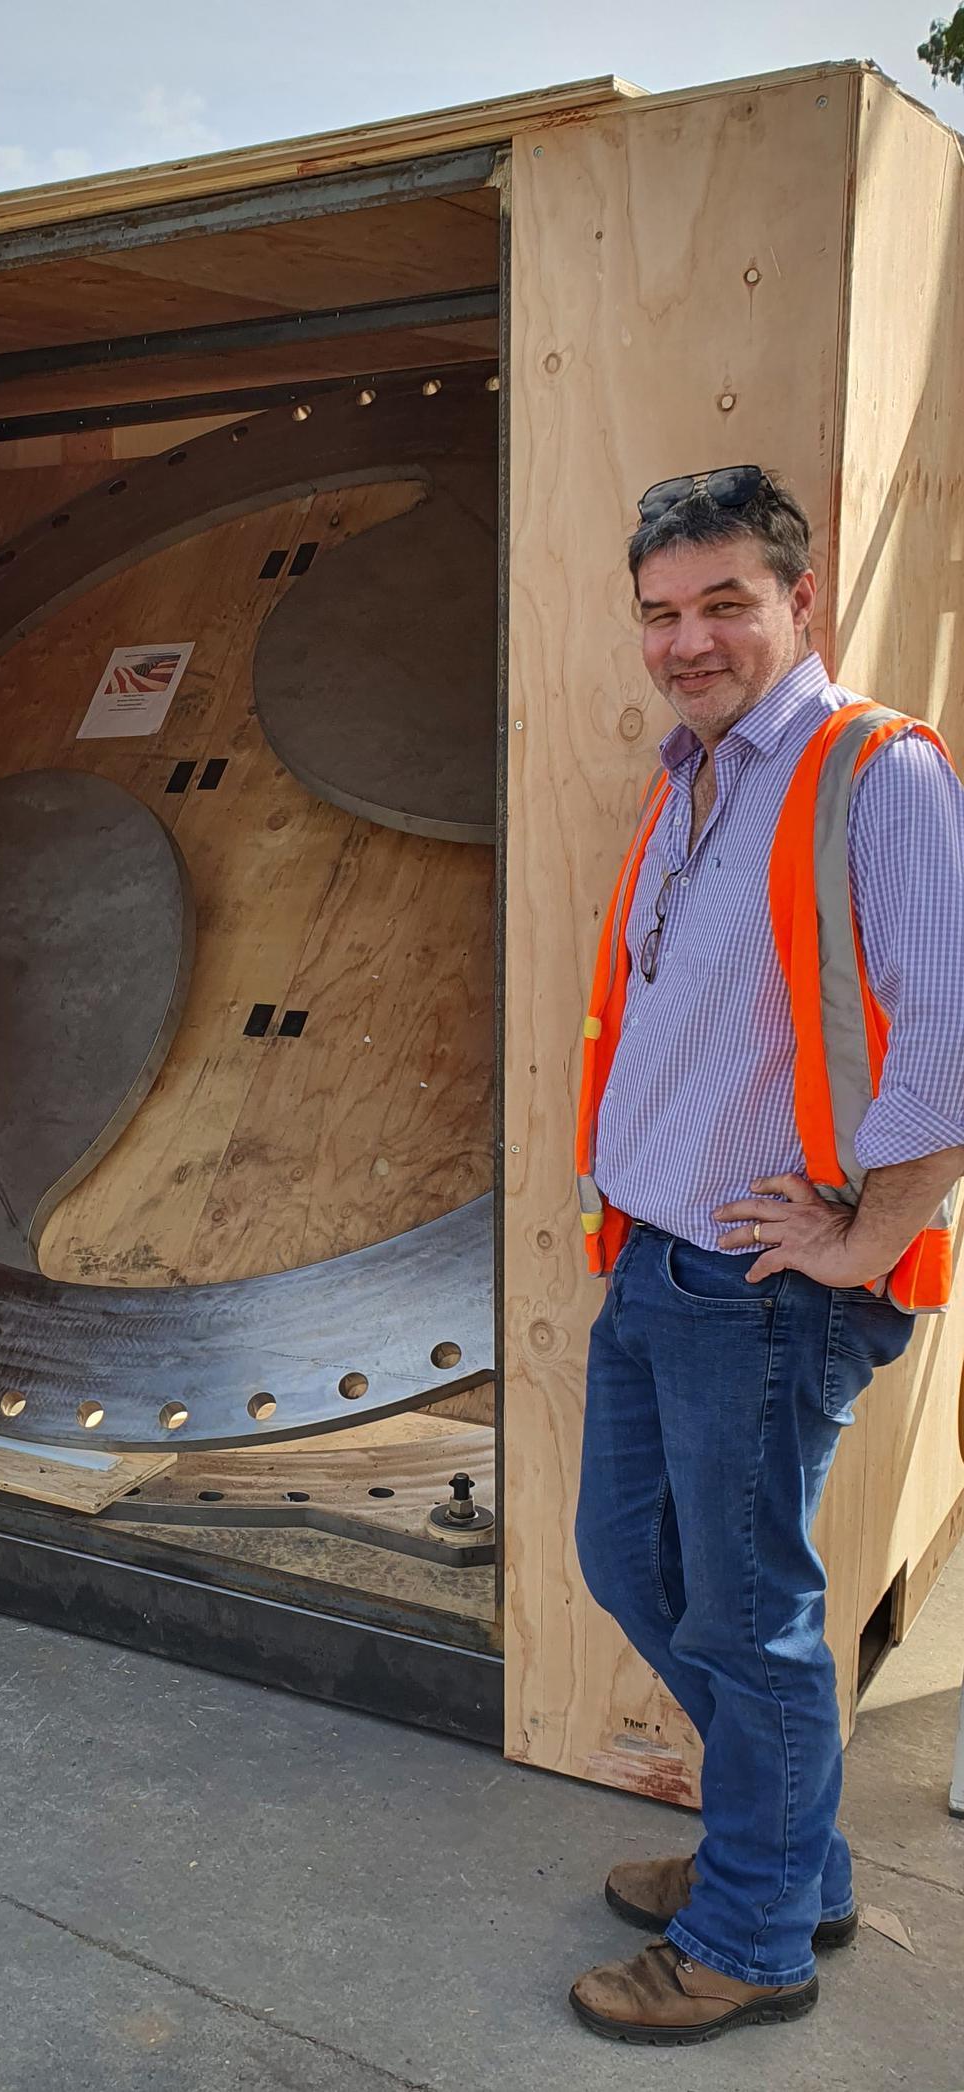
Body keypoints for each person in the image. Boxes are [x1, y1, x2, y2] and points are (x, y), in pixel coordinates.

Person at [569, 467, 964, 2042]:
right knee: (633, 1565)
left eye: (724, 602)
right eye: (661, 612)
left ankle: (748, 1939)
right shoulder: (697, 776)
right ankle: (789, 1857)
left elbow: (950, 1041)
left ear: (800, 601)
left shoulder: (878, 771)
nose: (688, 640)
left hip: (762, 1292)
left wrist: (869, 1238)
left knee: (750, 1620)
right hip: (656, 1263)